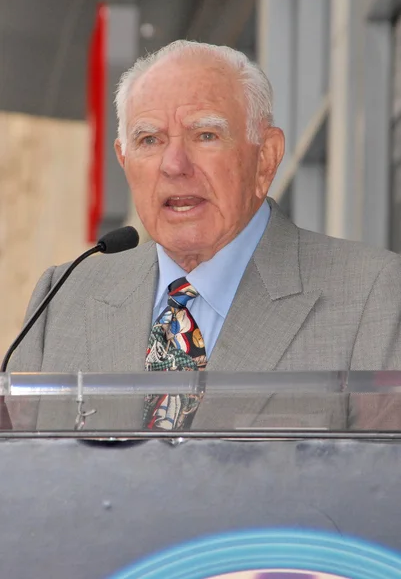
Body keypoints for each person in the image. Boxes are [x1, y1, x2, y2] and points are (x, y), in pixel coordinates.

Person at [6, 41, 401, 430]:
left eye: (205, 135)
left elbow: (382, 486)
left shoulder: (373, 294)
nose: (174, 166)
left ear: (265, 158)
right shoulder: (62, 300)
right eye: (150, 140)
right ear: (124, 161)